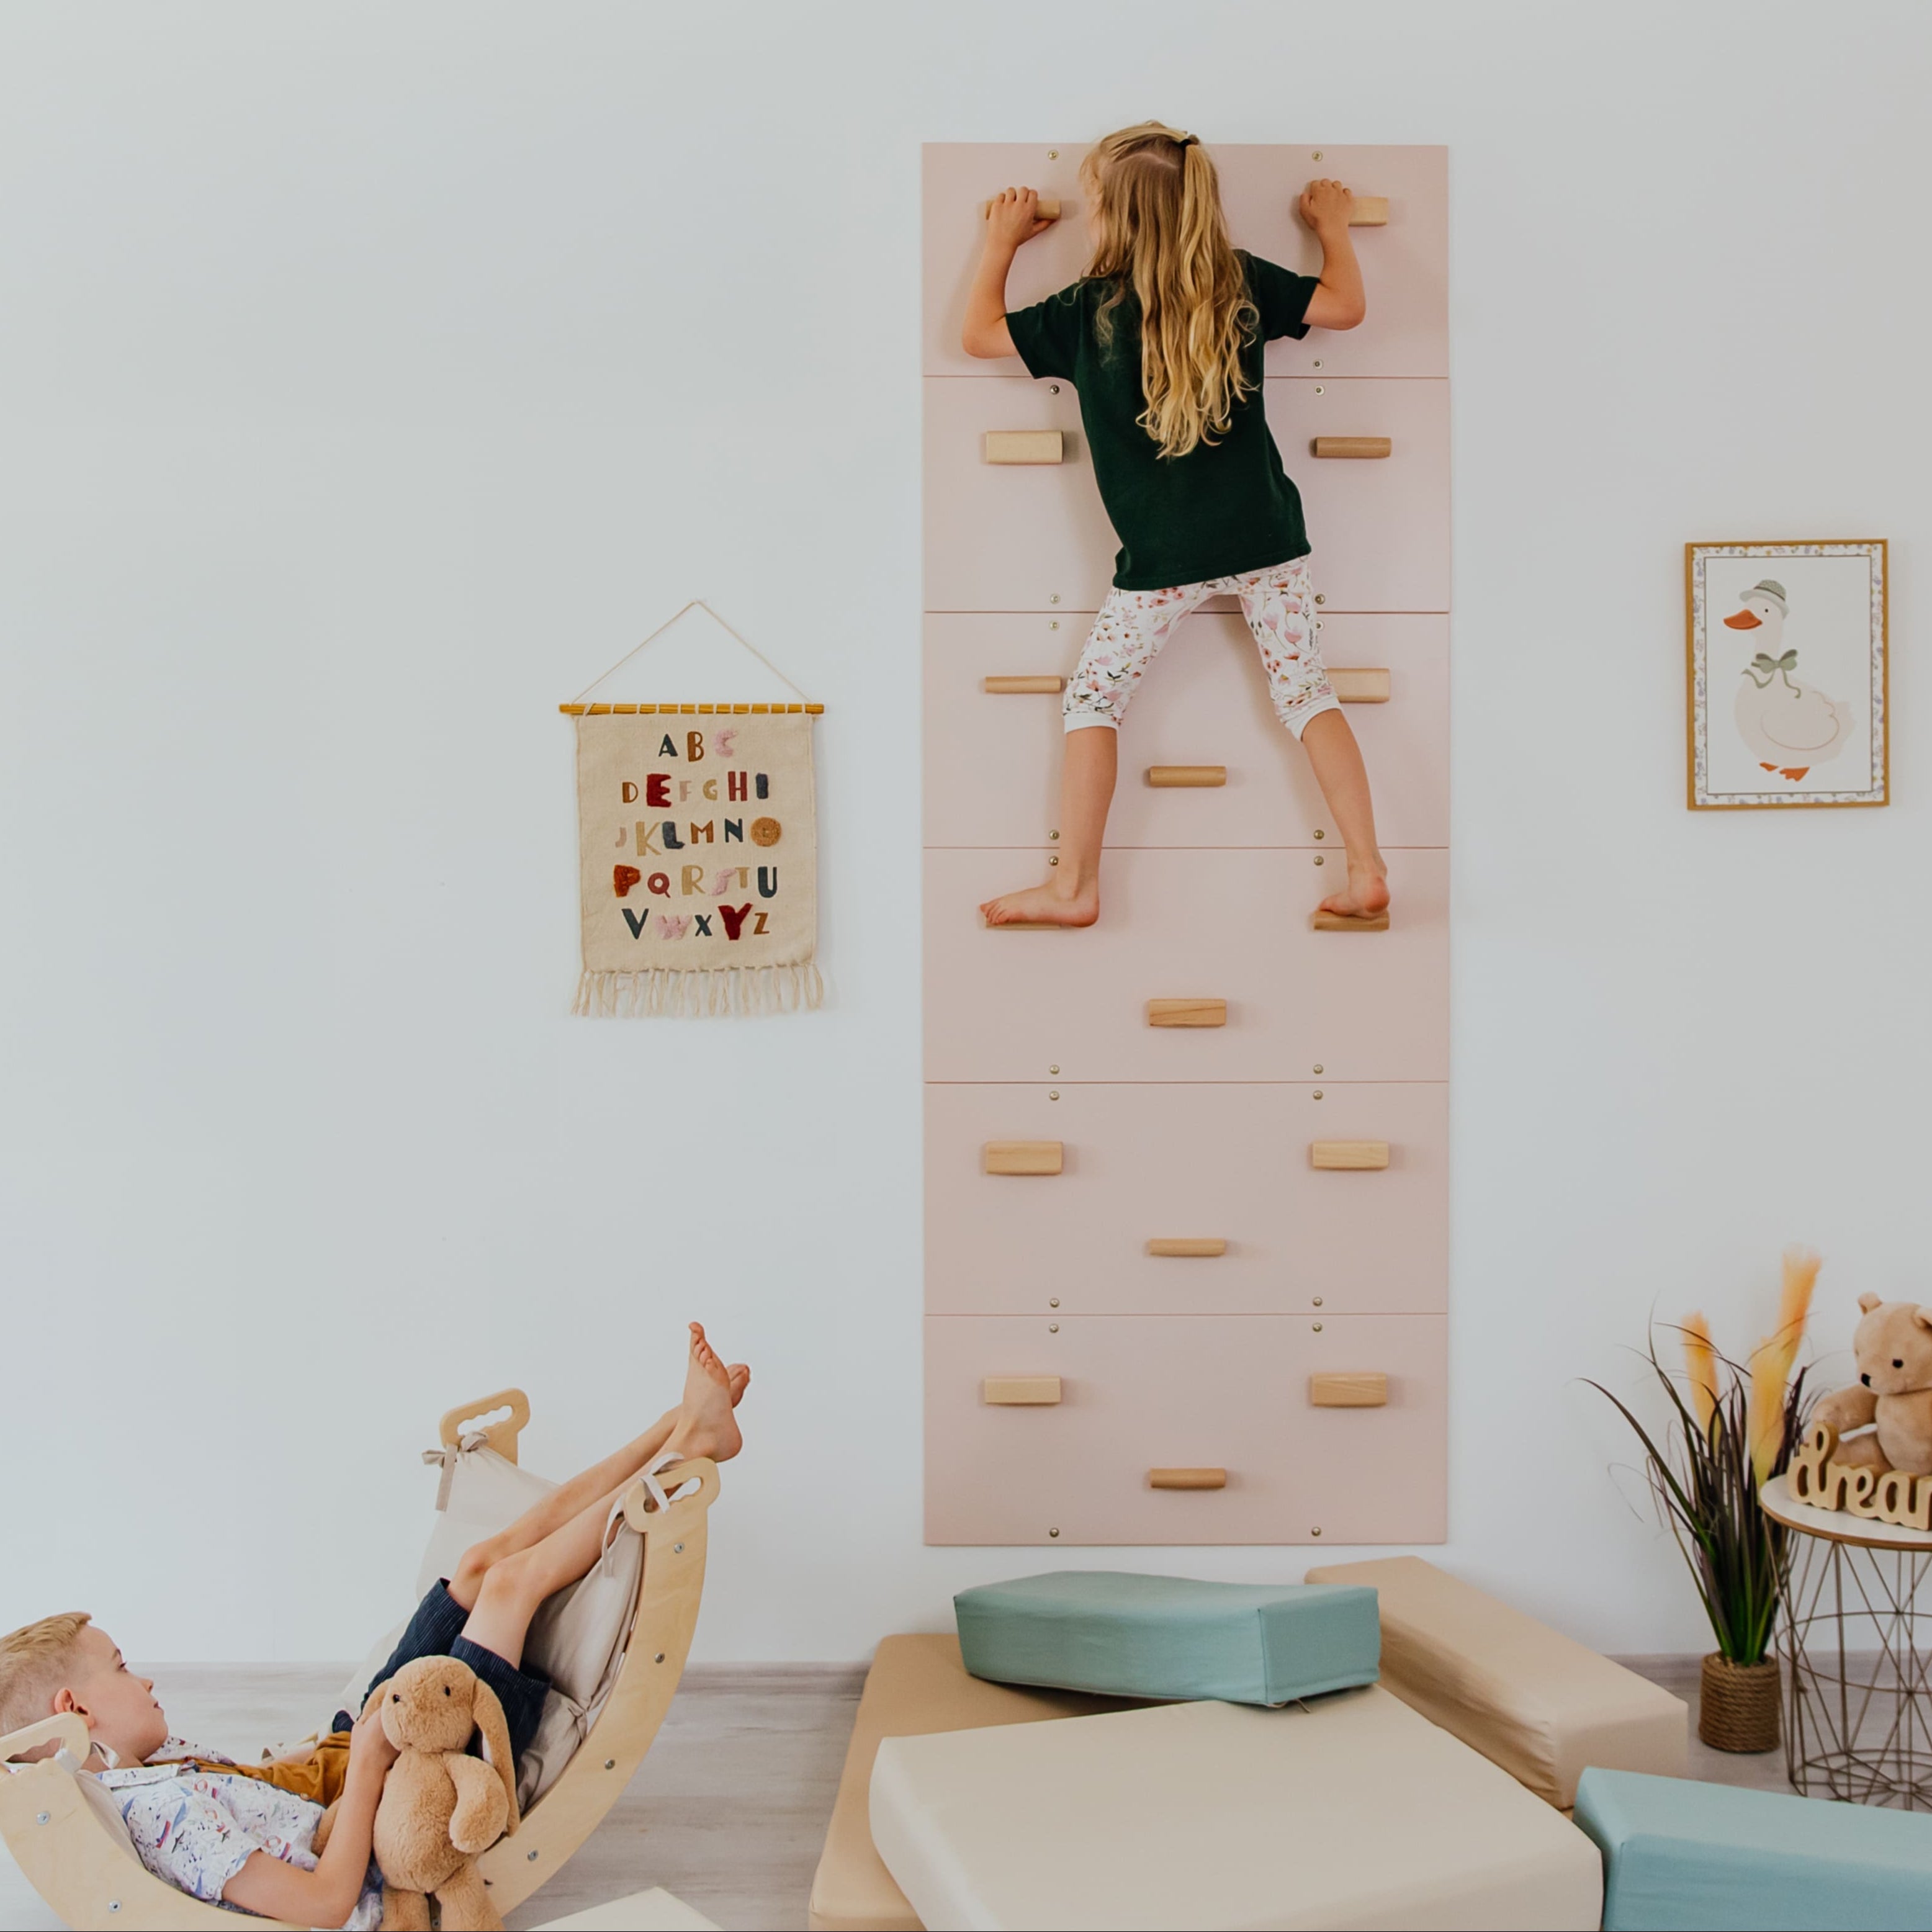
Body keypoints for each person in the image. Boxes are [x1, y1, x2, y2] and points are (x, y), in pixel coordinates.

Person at [0, 1323, 748, 1928]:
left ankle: (677, 1430)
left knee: (482, 1562)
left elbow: (273, 1792)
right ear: (76, 1710)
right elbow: (328, 1904)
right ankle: (686, 1442)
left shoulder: (145, 1770)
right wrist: (367, 1760)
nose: (147, 1675)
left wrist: (344, 1748)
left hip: (356, 1753)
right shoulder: (165, 1814)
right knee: (513, 1586)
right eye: (123, 1666)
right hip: (403, 1795)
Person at [967, 122, 1388, 931]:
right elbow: (1346, 306)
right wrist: (1332, 229)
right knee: (1307, 693)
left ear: (1110, 215)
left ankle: (1072, 887)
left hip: (1162, 561)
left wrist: (1000, 241)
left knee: (1094, 700)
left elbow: (978, 334)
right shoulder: (1236, 283)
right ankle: (1366, 866)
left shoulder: (1087, 310)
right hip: (1268, 540)